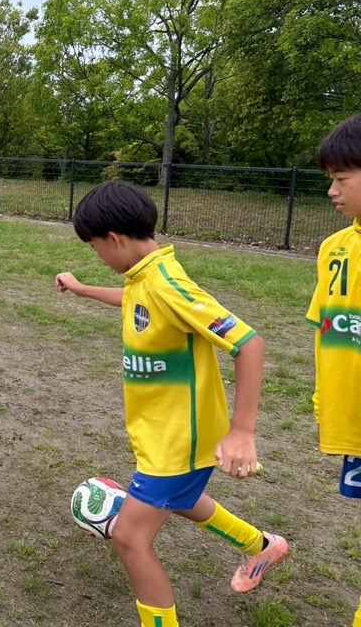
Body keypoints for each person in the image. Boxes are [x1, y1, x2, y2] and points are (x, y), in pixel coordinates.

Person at [54, 181, 288, 627]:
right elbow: (135, 302)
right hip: (160, 436)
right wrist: (84, 290)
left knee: (129, 537)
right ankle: (262, 547)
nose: (96, 256)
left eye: (94, 247)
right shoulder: (144, 278)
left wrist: (242, 431)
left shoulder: (167, 283)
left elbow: (248, 343)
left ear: (114, 239)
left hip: (179, 441)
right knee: (181, 501)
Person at [306, 115, 361, 627]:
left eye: (342, 178)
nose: (332, 190)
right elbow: (327, 330)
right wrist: (324, 403)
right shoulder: (334, 249)